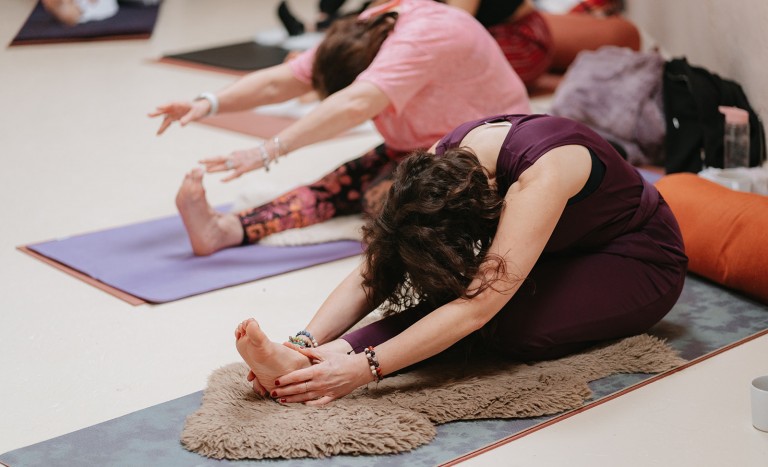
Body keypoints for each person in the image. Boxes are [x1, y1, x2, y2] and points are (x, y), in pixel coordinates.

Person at [234, 113, 688, 404]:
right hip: (561, 248)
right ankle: (310, 359)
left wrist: (362, 370)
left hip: (637, 256)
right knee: (467, 293)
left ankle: (335, 359)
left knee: (506, 321)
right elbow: (379, 264)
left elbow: (477, 306)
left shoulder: (542, 176)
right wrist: (306, 338)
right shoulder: (444, 160)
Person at [150, 0, 530, 256]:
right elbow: (283, 79)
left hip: (492, 152)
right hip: (424, 142)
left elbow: (354, 104)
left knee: (387, 202)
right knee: (339, 184)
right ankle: (226, 229)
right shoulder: (371, 24)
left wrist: (265, 151)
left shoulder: (425, 36)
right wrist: (208, 102)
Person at [440, 0, 640, 88]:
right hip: (491, 30)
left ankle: (547, 78)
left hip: (518, 38)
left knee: (624, 35)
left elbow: (458, 29)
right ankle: (550, 78)